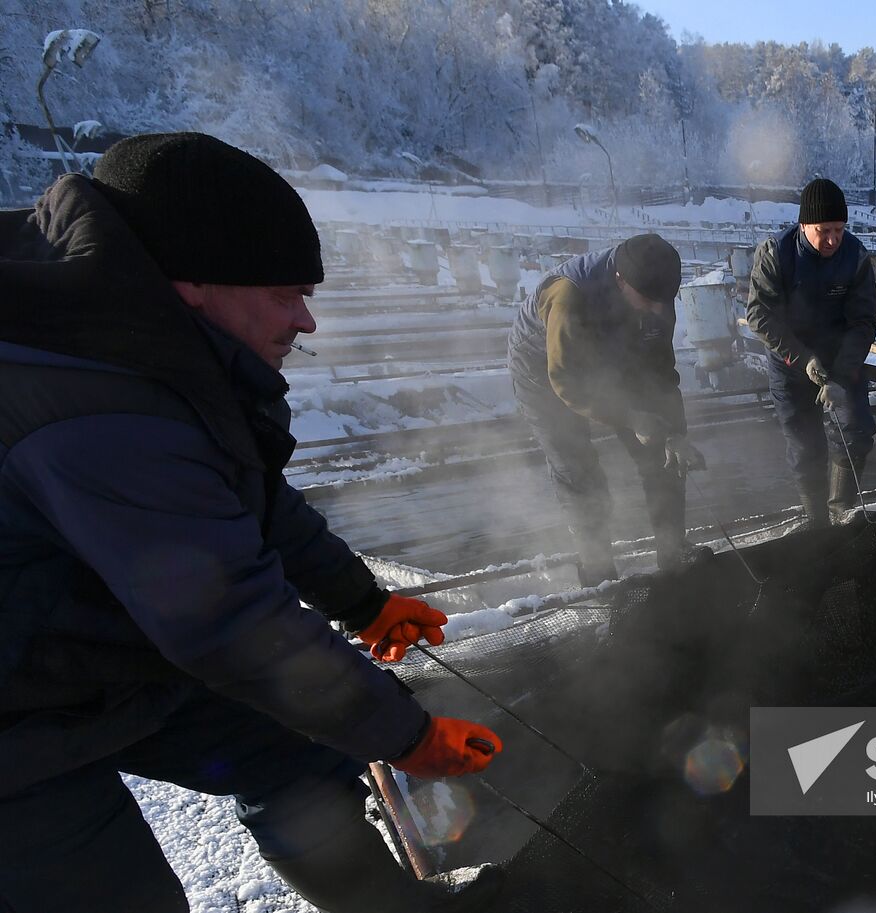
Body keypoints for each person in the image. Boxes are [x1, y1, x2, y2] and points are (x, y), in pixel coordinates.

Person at [0, 133, 503, 913]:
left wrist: (362, 600)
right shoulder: (97, 404)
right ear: (195, 279)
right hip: (15, 709)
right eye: (282, 294)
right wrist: (409, 736)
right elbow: (231, 622)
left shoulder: (150, 340)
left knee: (295, 759)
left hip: (85, 637)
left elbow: (245, 496)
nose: (305, 321)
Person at [507, 233, 707, 586]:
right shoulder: (569, 296)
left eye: (665, 302)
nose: (659, 310)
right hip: (545, 368)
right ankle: (598, 575)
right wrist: (630, 417)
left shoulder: (655, 291)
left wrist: (675, 433)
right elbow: (567, 381)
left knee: (663, 452)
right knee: (580, 471)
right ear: (620, 280)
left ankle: (673, 552)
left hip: (613, 354)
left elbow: (660, 372)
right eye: (649, 301)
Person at [746, 178, 876, 526]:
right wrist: (802, 358)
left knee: (857, 430)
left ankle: (841, 512)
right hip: (791, 361)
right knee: (805, 446)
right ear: (804, 225)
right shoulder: (776, 253)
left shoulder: (856, 257)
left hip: (840, 359)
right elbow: (759, 315)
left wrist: (838, 375)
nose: (833, 239)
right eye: (824, 230)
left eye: (839, 229)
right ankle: (817, 521)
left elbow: (863, 323)